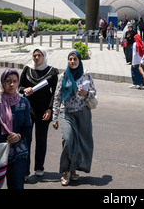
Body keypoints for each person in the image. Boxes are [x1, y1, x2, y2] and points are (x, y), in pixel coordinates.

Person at [52, 50, 96, 186]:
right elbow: (57, 97)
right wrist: (55, 117)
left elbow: (94, 92)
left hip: (83, 112)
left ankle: (74, 169)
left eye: (75, 59)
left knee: (81, 142)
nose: (72, 61)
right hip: (67, 113)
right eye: (70, 59)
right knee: (68, 139)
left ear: (79, 60)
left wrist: (86, 93)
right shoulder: (63, 76)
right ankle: (67, 171)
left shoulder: (85, 74)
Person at [19, 47, 59, 179]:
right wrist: (26, 89)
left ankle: (39, 167)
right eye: (34, 55)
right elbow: (19, 87)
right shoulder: (27, 69)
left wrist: (50, 109)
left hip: (44, 111)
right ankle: (24, 171)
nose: (36, 58)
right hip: (28, 110)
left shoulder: (51, 71)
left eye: (39, 55)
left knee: (41, 140)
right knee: (26, 140)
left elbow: (55, 93)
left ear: (44, 56)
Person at [0, 68, 31, 189]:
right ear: (2, 82)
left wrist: (18, 136)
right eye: (8, 81)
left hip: (18, 152)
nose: (11, 84)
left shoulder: (24, 102)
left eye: (15, 81)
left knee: (16, 185)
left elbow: (27, 126)